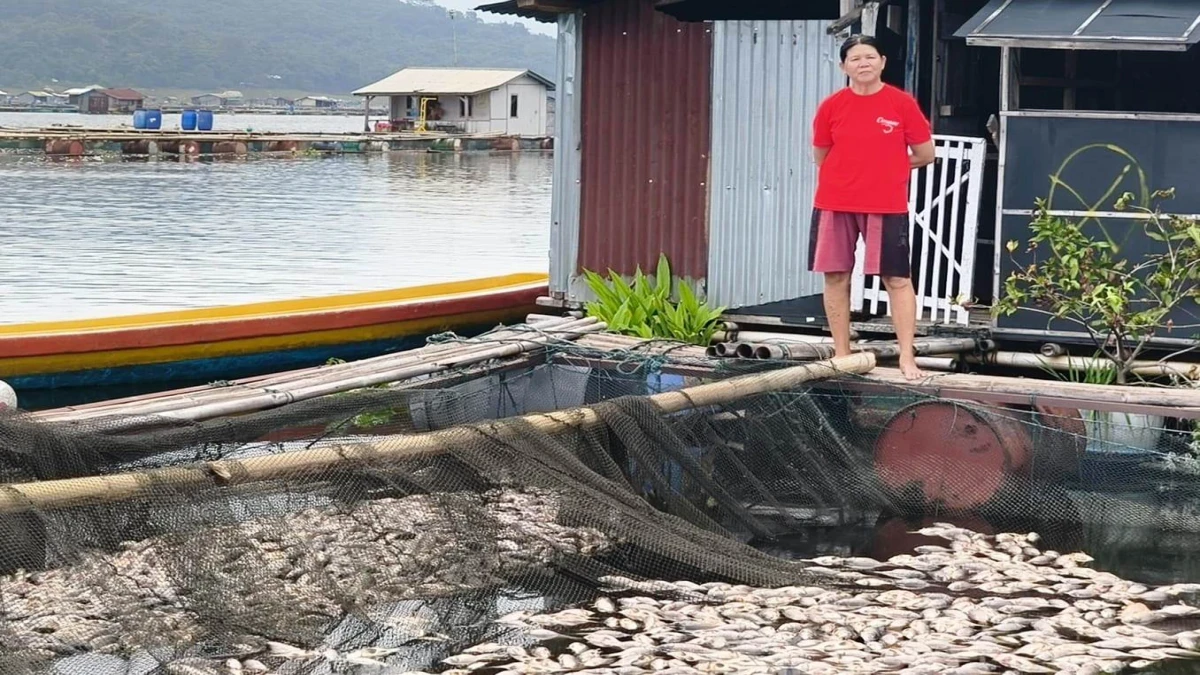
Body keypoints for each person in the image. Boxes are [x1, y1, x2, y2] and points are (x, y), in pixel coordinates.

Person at [809, 34, 935, 380]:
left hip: (886, 203)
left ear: (882, 62)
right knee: (835, 276)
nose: (862, 63)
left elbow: (925, 154)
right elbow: (820, 155)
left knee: (896, 278)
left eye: (869, 57)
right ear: (843, 66)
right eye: (854, 59)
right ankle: (842, 354)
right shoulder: (832, 106)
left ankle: (907, 357)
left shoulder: (901, 103)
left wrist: (890, 166)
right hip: (835, 200)